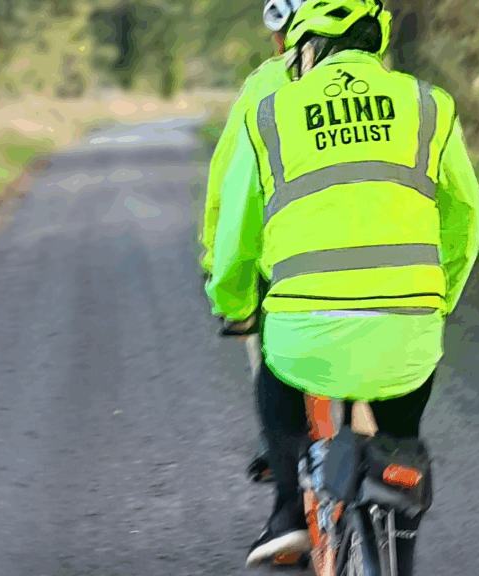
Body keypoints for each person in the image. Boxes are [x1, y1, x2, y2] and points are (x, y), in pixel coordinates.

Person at [204, 0, 479, 570]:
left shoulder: (270, 111)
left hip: (304, 336)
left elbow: (236, 232)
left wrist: (235, 305)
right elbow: (467, 213)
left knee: (277, 379)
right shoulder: (429, 104)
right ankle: (400, 539)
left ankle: (289, 506)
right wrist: (441, 296)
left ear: (306, 48)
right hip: (409, 335)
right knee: (402, 436)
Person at [200, 0, 311, 493]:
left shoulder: (265, 84)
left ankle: (288, 503)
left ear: (281, 33)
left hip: (283, 265)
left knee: (271, 360)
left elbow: (228, 186)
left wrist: (219, 273)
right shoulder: (384, 85)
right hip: (387, 268)